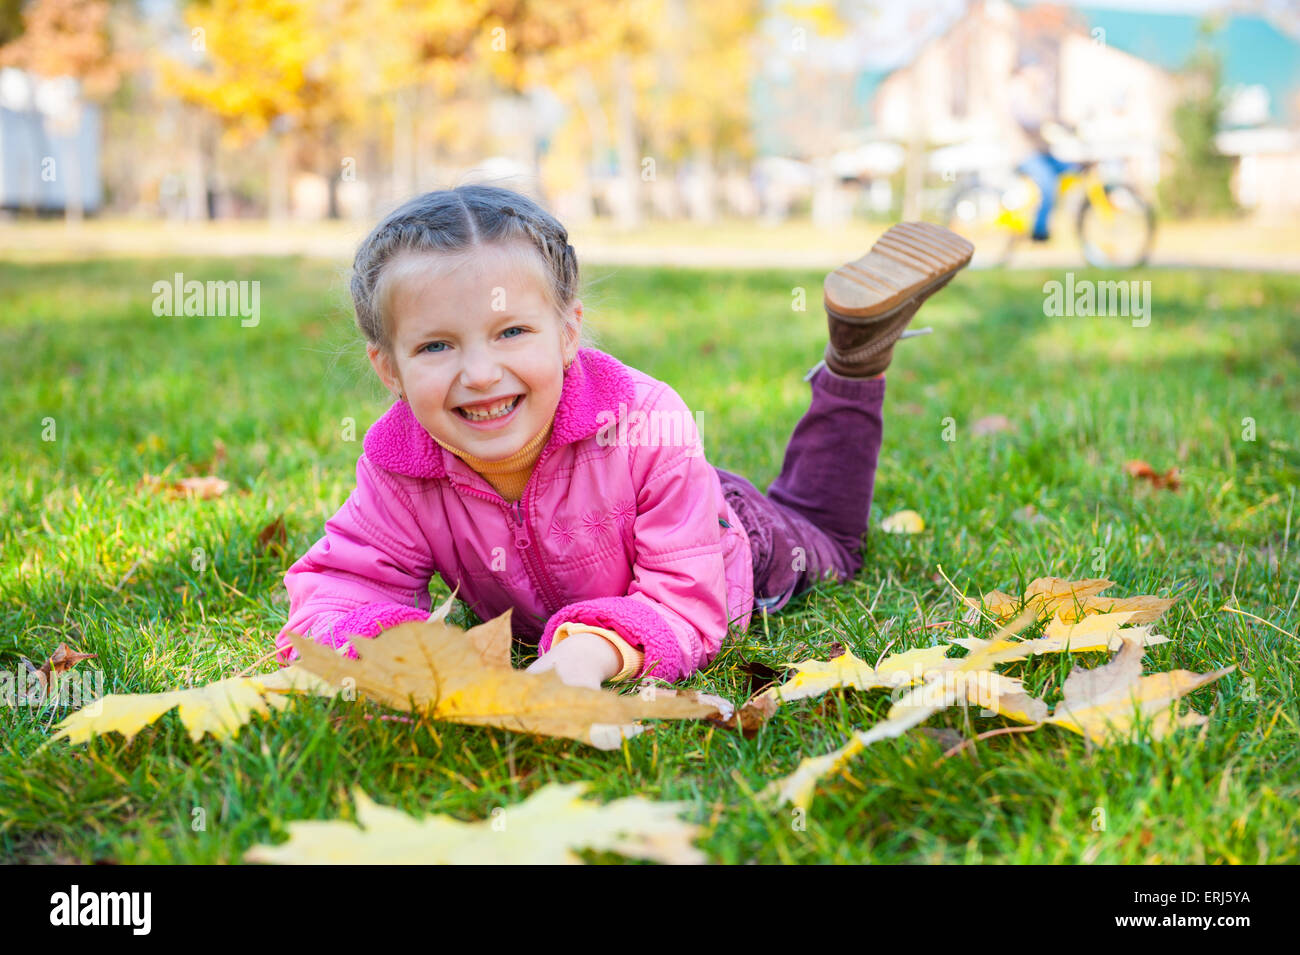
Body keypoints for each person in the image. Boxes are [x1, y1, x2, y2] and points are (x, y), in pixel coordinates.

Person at [273, 184, 972, 689]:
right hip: (649, 502)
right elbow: (344, 585)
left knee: (830, 538)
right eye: (436, 346)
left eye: (512, 331)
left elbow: (685, 600)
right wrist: (371, 647)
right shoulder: (402, 463)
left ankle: (856, 356)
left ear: (568, 330)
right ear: (387, 366)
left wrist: (595, 650)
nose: (480, 374)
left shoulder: (645, 417)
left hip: (730, 534)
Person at [1008, 56, 1074, 242]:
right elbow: (1028, 120)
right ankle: (1039, 231)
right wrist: (1046, 120)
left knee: (1074, 169)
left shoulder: (1037, 93)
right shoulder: (1018, 91)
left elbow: (1050, 117)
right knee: (1047, 184)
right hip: (1025, 154)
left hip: (1042, 152)